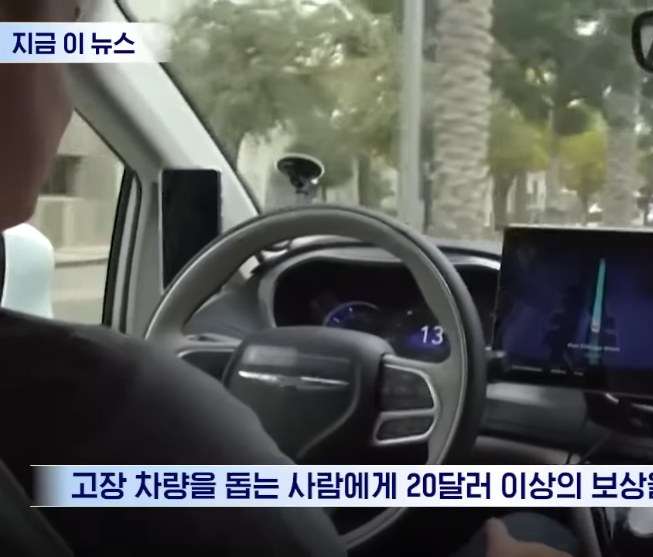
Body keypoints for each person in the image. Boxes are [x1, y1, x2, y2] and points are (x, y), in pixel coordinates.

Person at [0, 1, 582, 556]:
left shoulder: (82, 406)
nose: (67, 93)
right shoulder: (119, 403)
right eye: (64, 34)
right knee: (536, 527)